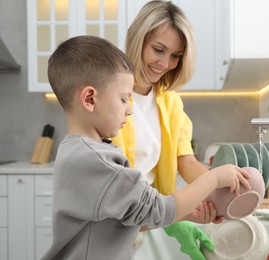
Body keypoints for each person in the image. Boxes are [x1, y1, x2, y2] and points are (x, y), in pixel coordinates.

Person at [41, 35, 250, 260]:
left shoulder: (83, 152)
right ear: (90, 99)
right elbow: (158, 210)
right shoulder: (97, 161)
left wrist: (184, 215)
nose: (129, 110)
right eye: (123, 100)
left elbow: (121, 220)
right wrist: (215, 178)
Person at [111, 1, 222, 258]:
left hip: (142, 224)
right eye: (158, 50)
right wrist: (173, 212)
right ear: (138, 39)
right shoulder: (109, 94)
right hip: (110, 224)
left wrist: (222, 193)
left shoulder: (170, 102)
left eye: (175, 56)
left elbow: (187, 163)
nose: (165, 63)